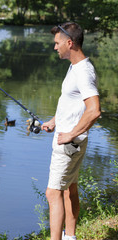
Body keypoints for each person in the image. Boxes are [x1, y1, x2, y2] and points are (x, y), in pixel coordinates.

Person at [41, 22, 101, 240]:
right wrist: (55, 121)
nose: (54, 47)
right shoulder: (76, 67)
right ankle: (70, 236)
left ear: (69, 42)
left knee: (53, 192)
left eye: (57, 43)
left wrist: (70, 134)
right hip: (71, 140)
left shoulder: (83, 71)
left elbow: (94, 110)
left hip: (68, 144)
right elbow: (73, 103)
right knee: (69, 188)